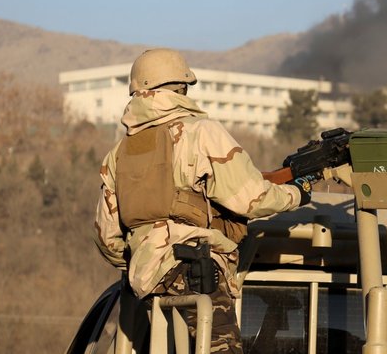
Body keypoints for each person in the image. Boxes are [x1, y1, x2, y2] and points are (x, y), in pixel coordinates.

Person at [94, 48, 311, 354]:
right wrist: (298, 192)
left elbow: (107, 239)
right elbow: (252, 198)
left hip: (145, 284)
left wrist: (144, 255)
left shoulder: (117, 154)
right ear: (181, 89)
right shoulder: (201, 133)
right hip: (193, 268)